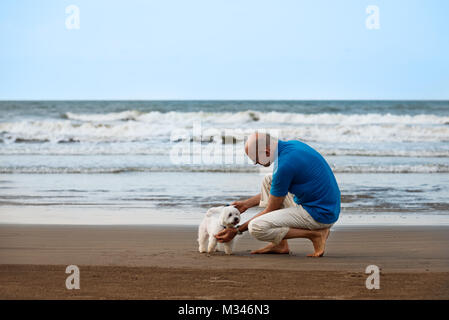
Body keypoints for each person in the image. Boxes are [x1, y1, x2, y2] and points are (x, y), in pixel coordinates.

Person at [215, 132, 341, 257]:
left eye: (255, 159)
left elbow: (271, 208)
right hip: (328, 206)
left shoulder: (283, 166)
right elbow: (277, 192)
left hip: (319, 214)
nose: (256, 163)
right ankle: (280, 245)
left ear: (267, 152)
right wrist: (246, 204)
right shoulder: (293, 145)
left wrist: (237, 230)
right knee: (269, 180)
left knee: (256, 227)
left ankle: (316, 235)